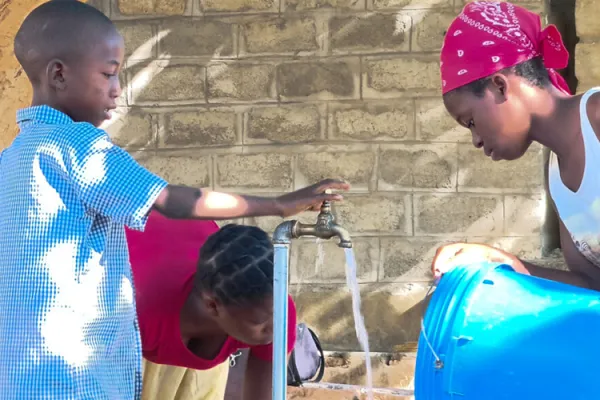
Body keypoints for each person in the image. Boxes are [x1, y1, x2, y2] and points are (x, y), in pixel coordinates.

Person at [0, 1, 348, 398]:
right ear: (59, 74)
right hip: (78, 374)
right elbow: (171, 200)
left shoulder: (11, 159)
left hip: (21, 373)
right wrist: (277, 204)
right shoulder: (79, 147)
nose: (117, 91)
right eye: (109, 74)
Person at [431, 1, 600, 291]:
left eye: (470, 121)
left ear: (499, 85)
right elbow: (590, 286)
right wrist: (500, 261)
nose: (476, 141)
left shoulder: (597, 118)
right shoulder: (558, 178)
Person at [126, 213, 296, 400]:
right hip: (132, 240)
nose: (276, 327)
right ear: (213, 306)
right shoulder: (138, 313)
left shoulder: (277, 311)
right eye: (259, 322)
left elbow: (263, 394)